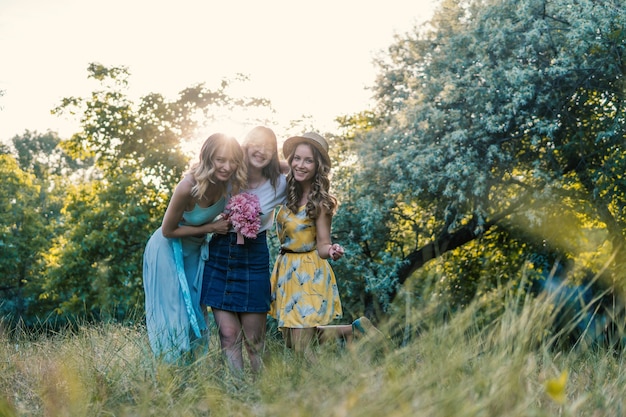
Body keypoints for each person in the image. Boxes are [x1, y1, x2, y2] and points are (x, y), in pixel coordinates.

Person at [269, 132, 377, 359]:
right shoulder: (288, 191)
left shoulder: (320, 203)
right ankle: (353, 330)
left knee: (300, 344)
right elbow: (268, 165)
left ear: (318, 166)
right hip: (285, 270)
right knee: (291, 339)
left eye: (308, 160)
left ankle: (322, 388)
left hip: (307, 271)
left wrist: (333, 250)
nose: (300, 165)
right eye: (296, 158)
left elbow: (323, 244)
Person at [143, 133, 246, 363]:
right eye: (220, 160)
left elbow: (268, 161)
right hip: (168, 250)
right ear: (208, 158)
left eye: (233, 161)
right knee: (175, 313)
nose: (227, 166)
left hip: (195, 253)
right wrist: (210, 227)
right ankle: (167, 372)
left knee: (197, 312)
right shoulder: (187, 187)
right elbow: (168, 230)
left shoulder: (231, 184)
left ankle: (189, 374)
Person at [201, 126, 287, 374]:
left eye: (269, 147)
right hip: (220, 254)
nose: (261, 151)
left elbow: (302, 172)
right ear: (245, 144)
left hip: (254, 256)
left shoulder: (279, 184)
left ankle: (265, 393)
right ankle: (239, 394)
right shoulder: (225, 175)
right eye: (256, 144)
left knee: (255, 340)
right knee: (228, 336)